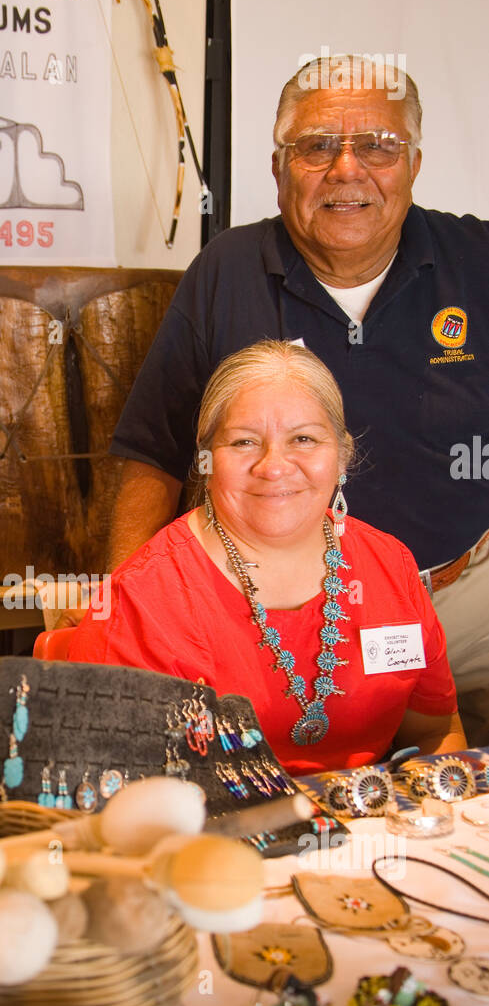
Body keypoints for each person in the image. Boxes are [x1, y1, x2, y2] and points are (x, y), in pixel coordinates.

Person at [105, 55, 489, 742]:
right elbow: (152, 451)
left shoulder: (478, 259)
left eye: (377, 145)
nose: (346, 169)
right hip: (270, 613)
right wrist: (117, 612)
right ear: (279, 168)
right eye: (315, 147)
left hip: (461, 595)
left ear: (413, 163)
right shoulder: (225, 269)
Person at [69, 341, 465, 776]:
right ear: (206, 460)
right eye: (243, 442)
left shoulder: (391, 565)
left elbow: (435, 732)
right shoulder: (141, 598)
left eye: (304, 438)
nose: (274, 467)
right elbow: (105, 791)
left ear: (342, 456)